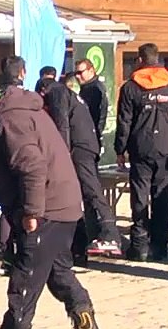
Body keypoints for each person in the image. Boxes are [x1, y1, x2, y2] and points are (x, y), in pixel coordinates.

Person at [0, 69, 105, 329]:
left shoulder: (9, 121)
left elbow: (32, 168)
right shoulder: (12, 114)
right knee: (58, 272)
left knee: (26, 277)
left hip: (47, 208)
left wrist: (31, 214)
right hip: (62, 203)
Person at [37, 75, 122, 261]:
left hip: (80, 147)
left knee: (91, 189)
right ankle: (88, 238)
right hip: (86, 143)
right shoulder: (69, 94)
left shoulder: (56, 92)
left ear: (43, 90)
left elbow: (62, 124)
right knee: (82, 193)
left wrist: (61, 153)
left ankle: (110, 235)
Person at [115, 43, 168, 261]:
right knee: (162, 197)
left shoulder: (130, 88)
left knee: (140, 197)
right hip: (164, 149)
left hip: (140, 148)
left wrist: (120, 149)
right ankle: (160, 248)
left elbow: (124, 121)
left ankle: (139, 247)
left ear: (139, 60)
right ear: (158, 60)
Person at [73, 59, 108, 145]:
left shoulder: (94, 89)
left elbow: (97, 115)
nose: (77, 76)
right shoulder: (87, 88)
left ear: (91, 71)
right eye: (75, 73)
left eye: (80, 72)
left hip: (89, 138)